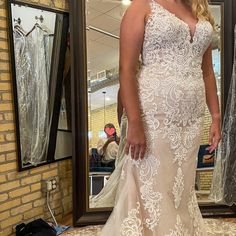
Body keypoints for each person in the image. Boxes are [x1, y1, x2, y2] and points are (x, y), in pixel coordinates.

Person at [101, 0, 221, 235]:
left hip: (192, 118)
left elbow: (207, 72)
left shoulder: (199, 9)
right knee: (153, 185)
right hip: (155, 115)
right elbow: (126, 69)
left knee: (181, 187)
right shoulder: (141, 7)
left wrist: (215, 116)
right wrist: (134, 122)